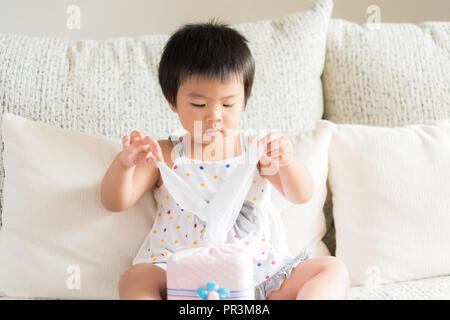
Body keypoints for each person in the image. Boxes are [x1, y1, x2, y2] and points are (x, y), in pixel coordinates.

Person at [101, 19, 349, 300]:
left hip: (254, 275)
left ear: (244, 100)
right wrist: (125, 164)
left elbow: (300, 194)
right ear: (173, 100)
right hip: (182, 275)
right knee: (135, 279)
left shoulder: (255, 149)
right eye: (199, 104)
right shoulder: (165, 153)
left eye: (228, 104)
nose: (214, 115)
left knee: (332, 269)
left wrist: (287, 161)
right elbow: (114, 201)